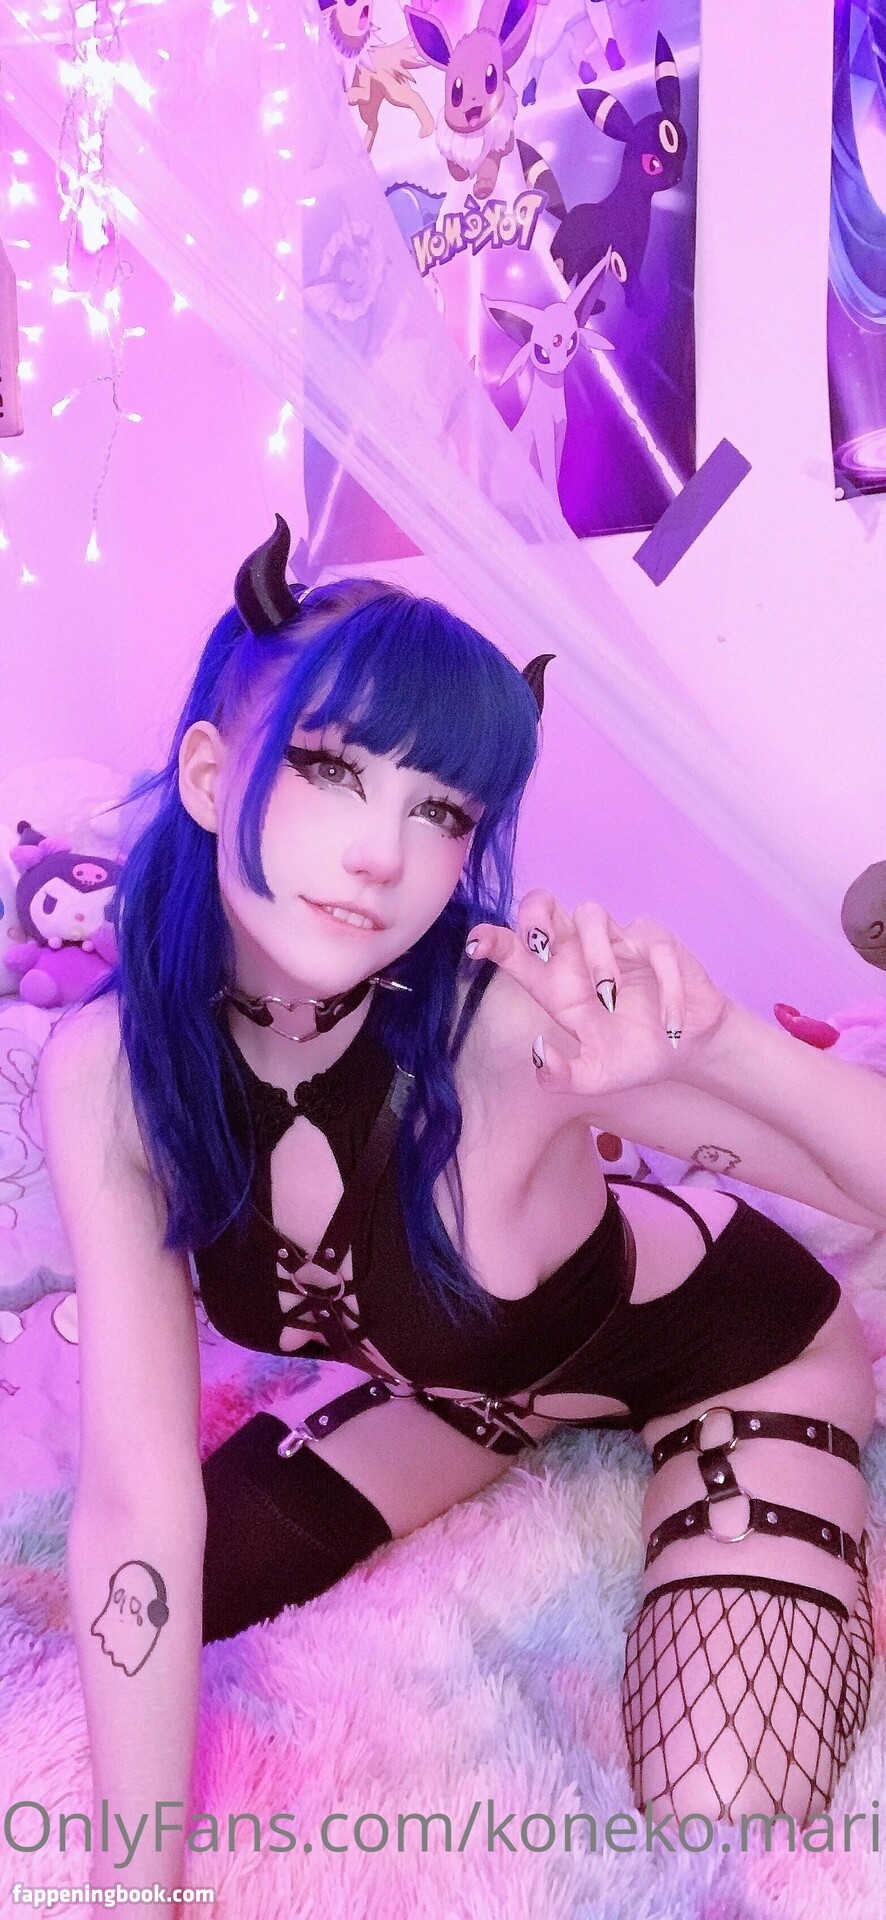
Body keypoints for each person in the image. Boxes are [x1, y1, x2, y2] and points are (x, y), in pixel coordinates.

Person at [39, 518, 885, 1897]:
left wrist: (722, 1043)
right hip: (466, 1389)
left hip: (731, 1351)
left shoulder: (503, 1027)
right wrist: (136, 1890)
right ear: (208, 773)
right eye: (329, 769)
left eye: (440, 810)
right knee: (130, 1608)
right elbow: (136, 1503)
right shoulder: (113, 1075)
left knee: (720, 1798)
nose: (383, 853)